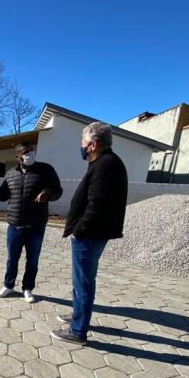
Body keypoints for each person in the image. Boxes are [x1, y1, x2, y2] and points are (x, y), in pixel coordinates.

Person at [51, 122, 128, 344]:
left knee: (83, 282)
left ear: (93, 144)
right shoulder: (103, 162)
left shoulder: (106, 165)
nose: (81, 146)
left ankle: (78, 331)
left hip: (90, 234)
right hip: (92, 233)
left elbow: (97, 205)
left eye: (83, 142)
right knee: (81, 281)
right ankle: (79, 316)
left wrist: (79, 230)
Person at [0, 141, 63, 303]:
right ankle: (8, 285)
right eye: (25, 152)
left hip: (36, 225)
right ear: (18, 157)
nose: (30, 154)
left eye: (31, 150)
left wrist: (47, 193)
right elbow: (3, 196)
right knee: (12, 259)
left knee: (32, 260)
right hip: (14, 225)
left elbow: (58, 190)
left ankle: (27, 289)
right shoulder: (11, 174)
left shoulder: (46, 170)